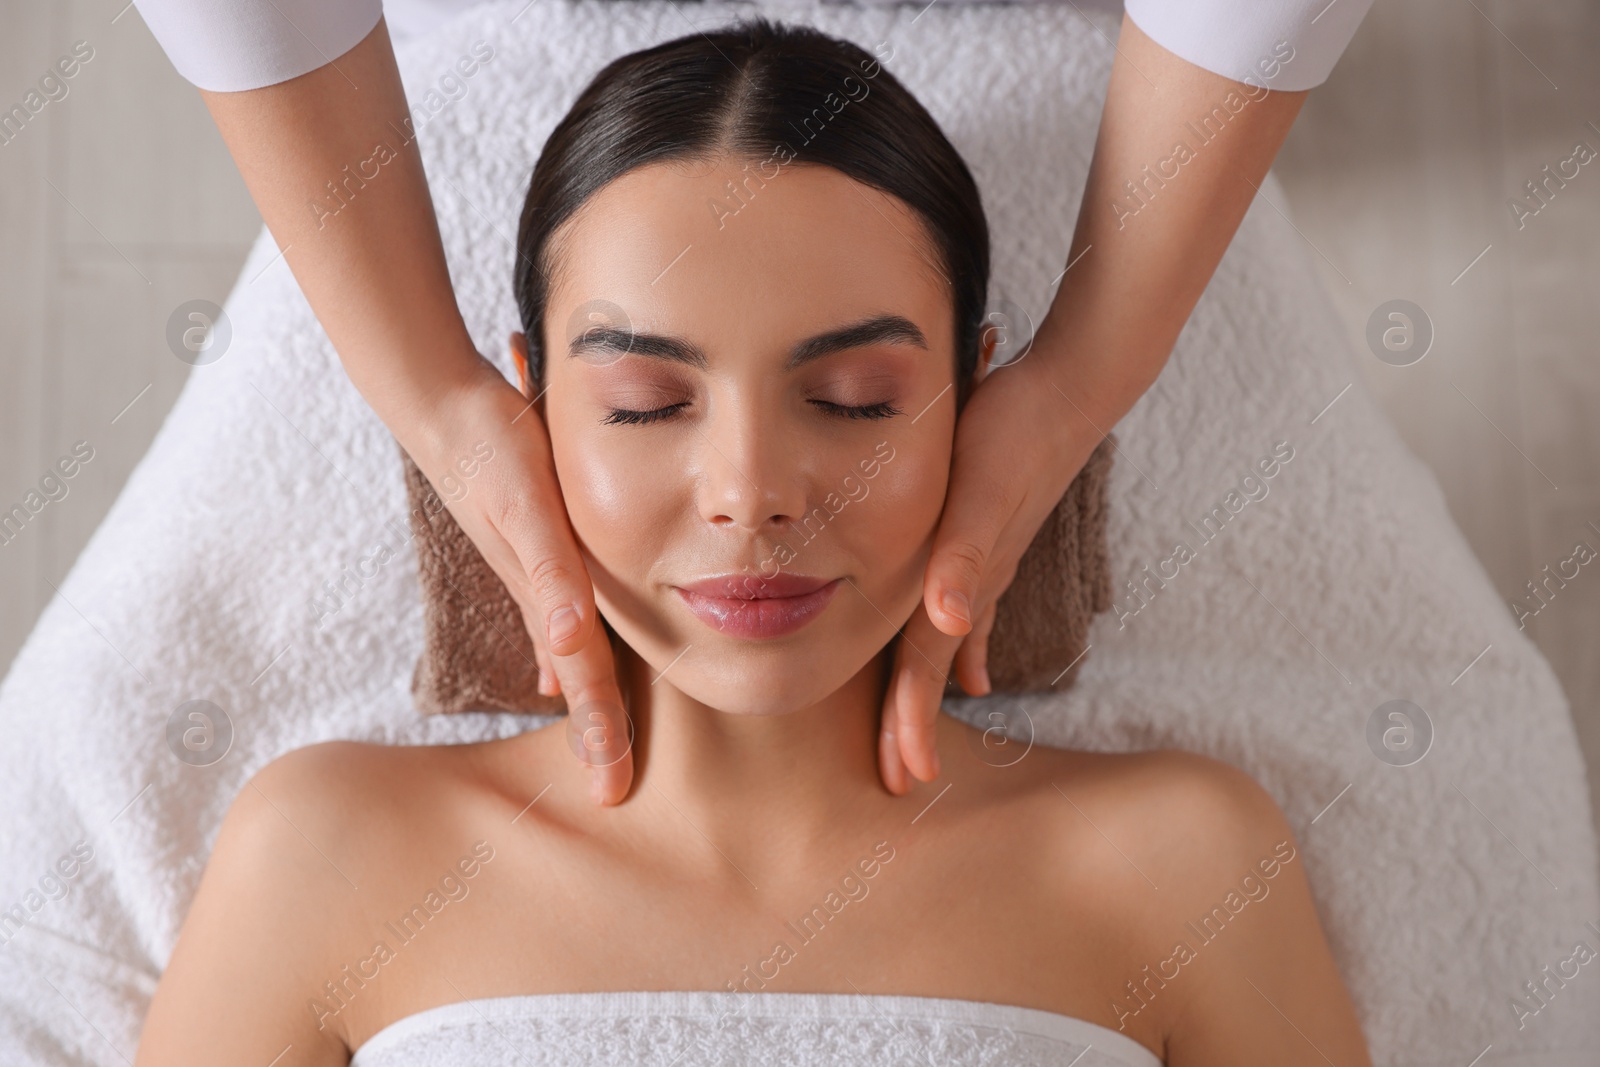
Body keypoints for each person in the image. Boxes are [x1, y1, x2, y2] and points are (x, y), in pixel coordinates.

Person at [133, 20, 1374, 1065]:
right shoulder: (329, 850)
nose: (751, 493)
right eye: (644, 406)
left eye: (853, 400)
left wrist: (1082, 382)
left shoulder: (1180, 862)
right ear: (529, 410)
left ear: (977, 395)